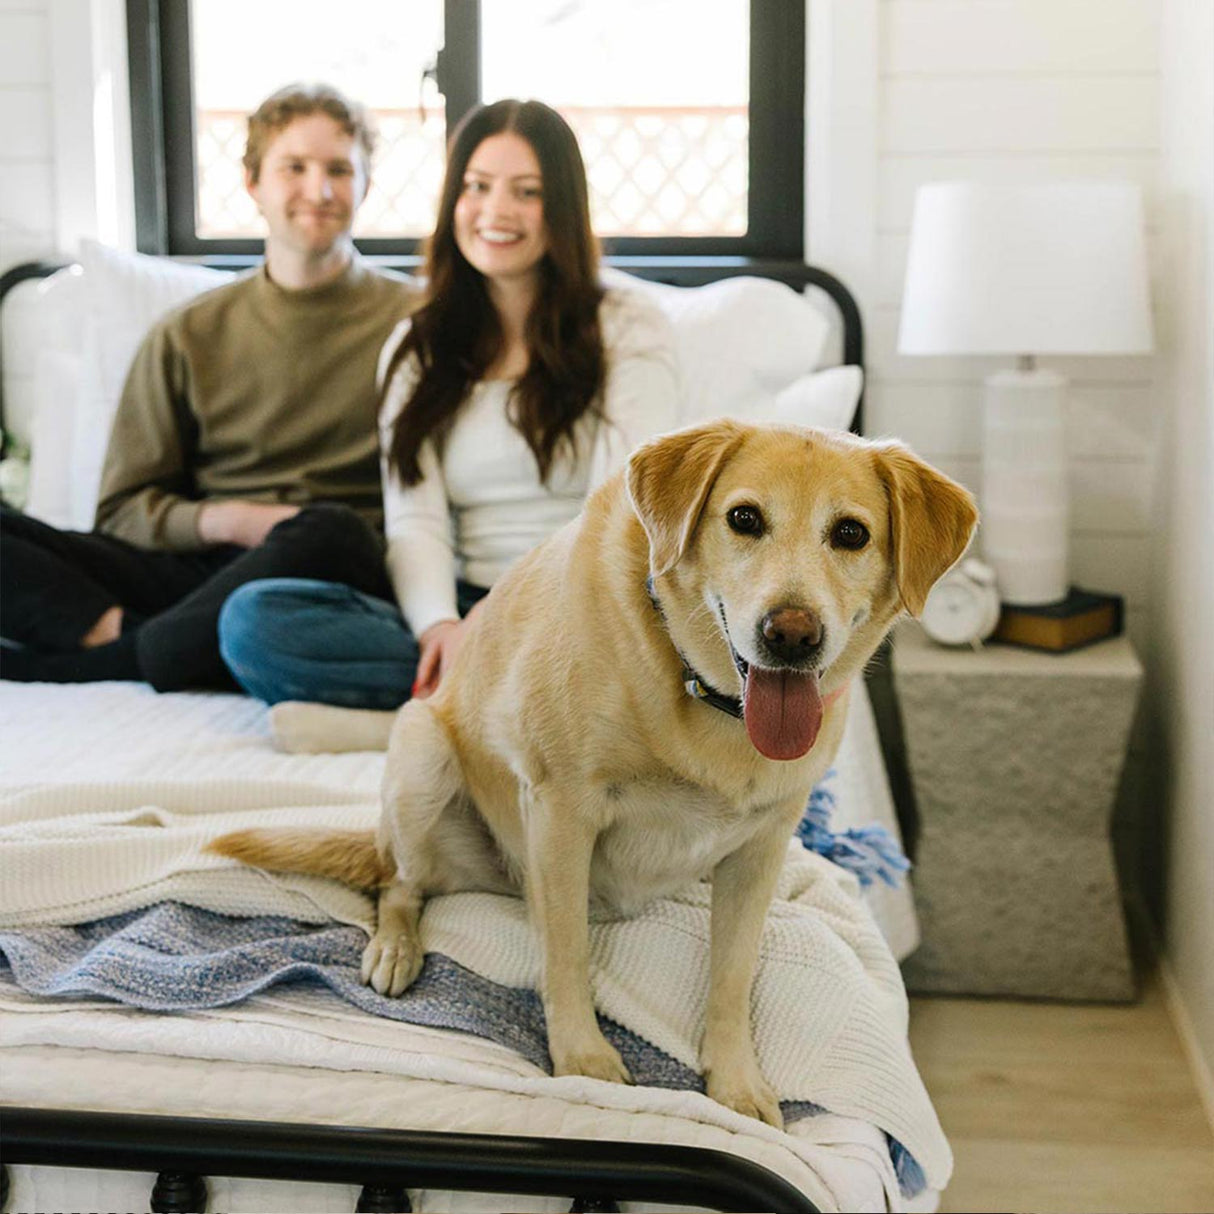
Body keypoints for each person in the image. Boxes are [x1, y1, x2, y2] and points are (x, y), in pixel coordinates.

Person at [217, 98, 680, 732]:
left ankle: (427, 721)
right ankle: (480, 710)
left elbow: (625, 515)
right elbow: (415, 517)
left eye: (528, 192)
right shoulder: (418, 346)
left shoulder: (628, 327)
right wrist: (441, 625)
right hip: (463, 608)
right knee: (254, 622)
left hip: (590, 609)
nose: (496, 211)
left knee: (659, 653)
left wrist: (503, 621)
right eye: (477, 186)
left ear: (564, 209)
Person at [0, 83, 416, 692]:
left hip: (328, 570)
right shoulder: (189, 333)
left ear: (365, 186)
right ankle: (158, 638)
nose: (319, 190)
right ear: (253, 183)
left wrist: (289, 531)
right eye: (293, 167)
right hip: (200, 568)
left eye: (339, 170)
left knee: (330, 529)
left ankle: (115, 655)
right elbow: (122, 513)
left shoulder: (415, 321)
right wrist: (234, 520)